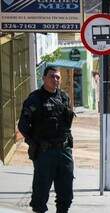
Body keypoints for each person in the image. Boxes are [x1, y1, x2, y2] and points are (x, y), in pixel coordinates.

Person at [18, 66, 75, 213]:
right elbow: (23, 126)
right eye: (52, 76)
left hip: (64, 151)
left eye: (58, 77)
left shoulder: (64, 97)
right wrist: (35, 143)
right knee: (40, 196)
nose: (55, 79)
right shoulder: (34, 99)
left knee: (66, 194)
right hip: (45, 153)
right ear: (44, 78)